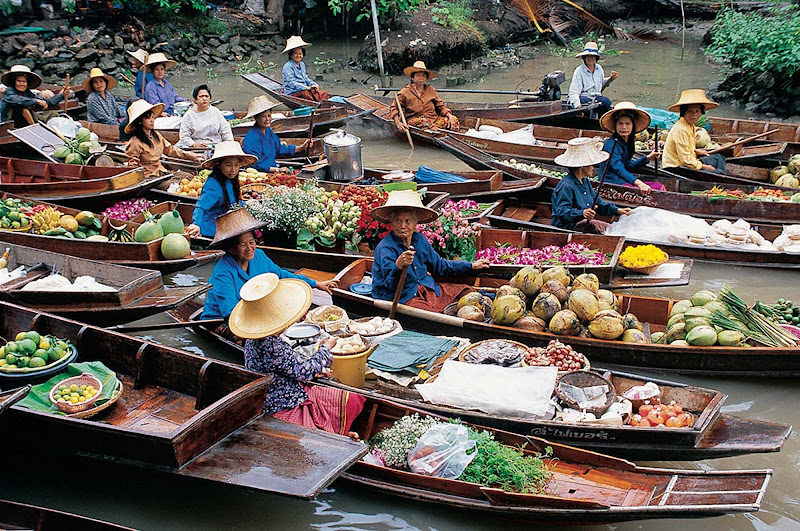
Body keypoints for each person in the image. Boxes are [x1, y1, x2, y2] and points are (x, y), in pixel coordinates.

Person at [233, 272, 363, 439]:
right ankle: (340, 436)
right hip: (282, 403)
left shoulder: (255, 339)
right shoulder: (270, 344)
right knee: (351, 398)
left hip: (281, 390)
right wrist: (325, 349)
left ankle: (341, 432)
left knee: (350, 397)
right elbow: (303, 371)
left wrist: (315, 366)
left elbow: (289, 366)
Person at [200, 208, 338, 329]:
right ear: (231, 249)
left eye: (252, 242)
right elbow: (230, 312)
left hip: (255, 313)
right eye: (243, 245)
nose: (249, 248)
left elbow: (281, 275)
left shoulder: (258, 256)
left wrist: (316, 284)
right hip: (225, 321)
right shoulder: (223, 273)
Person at [371, 190, 489, 312]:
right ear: (391, 223)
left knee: (468, 293)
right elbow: (390, 285)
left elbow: (440, 266)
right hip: (403, 296)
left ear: (415, 223)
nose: (403, 226)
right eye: (397, 221)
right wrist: (398, 267)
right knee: (428, 312)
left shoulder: (419, 240)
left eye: (408, 221)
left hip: (426, 288)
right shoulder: (385, 248)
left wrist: (471, 266)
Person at [551, 137, 632, 233]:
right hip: (569, 226)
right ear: (582, 166)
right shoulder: (566, 186)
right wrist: (582, 213)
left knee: (613, 229)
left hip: (584, 222)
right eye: (591, 165)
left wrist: (617, 210)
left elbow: (598, 203)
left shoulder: (585, 182)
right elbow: (562, 211)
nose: (593, 168)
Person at [185, 140, 256, 238]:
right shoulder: (213, 185)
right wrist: (196, 224)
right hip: (212, 230)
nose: (233, 169)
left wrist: (246, 204)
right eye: (228, 165)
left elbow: (232, 203)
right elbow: (200, 206)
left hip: (226, 225)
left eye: (236, 165)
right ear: (219, 165)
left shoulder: (230, 179)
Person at [597, 101, 665, 194]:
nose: (624, 127)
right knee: (656, 189)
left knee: (659, 186)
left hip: (623, 181)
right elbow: (619, 169)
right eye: (620, 123)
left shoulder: (627, 143)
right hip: (611, 184)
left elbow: (628, 166)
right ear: (615, 126)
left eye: (627, 124)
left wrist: (648, 158)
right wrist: (639, 183)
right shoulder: (611, 145)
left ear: (632, 126)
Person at [124, 99, 204, 177]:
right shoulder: (135, 142)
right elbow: (132, 167)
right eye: (148, 118)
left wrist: (193, 156)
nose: (152, 121)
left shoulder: (156, 135)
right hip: (149, 177)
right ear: (140, 121)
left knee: (188, 176)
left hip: (161, 171)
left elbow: (171, 150)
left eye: (153, 117)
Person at [662, 89, 727, 174]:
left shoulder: (689, 125)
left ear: (701, 112)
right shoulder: (681, 130)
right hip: (676, 167)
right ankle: (722, 176)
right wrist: (705, 167)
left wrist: (696, 151)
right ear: (683, 112)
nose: (694, 114)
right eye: (690, 111)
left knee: (719, 157)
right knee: (719, 172)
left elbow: (686, 148)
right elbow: (685, 160)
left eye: (697, 111)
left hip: (686, 161)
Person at [241, 95, 310, 173]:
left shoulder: (268, 131)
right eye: (263, 117)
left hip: (273, 168)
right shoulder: (251, 138)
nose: (268, 119)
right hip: (260, 173)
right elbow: (254, 163)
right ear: (256, 118)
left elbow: (279, 148)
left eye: (269, 116)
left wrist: (301, 148)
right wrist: (277, 169)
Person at [390, 61, 459, 132]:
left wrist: (450, 116)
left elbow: (441, 106)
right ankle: (436, 132)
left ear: (426, 78)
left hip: (433, 120)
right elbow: (394, 108)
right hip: (416, 121)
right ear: (413, 78)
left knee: (454, 120)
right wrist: (398, 123)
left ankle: (437, 131)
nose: (421, 78)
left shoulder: (431, 90)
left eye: (423, 76)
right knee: (424, 122)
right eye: (418, 75)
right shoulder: (404, 92)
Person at [0, 65, 64, 127]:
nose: (21, 84)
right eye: (18, 81)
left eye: (24, 81)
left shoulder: (27, 93)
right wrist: (36, 101)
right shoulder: (9, 92)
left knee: (52, 113)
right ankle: (34, 127)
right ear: (14, 82)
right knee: (21, 106)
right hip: (6, 122)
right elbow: (18, 100)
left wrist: (61, 95)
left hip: (21, 122)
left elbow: (46, 102)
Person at [567, 41, 617, 116]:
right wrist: (578, 107)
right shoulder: (579, 71)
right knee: (589, 110)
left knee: (606, 102)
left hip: (595, 97)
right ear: (584, 58)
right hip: (584, 98)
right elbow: (574, 91)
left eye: (592, 56)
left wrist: (611, 78)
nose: (590, 59)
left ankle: (603, 122)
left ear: (596, 58)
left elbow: (602, 83)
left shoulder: (599, 68)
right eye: (588, 56)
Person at [176, 84, 233, 149]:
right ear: (195, 100)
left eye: (206, 96)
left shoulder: (215, 111)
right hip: (197, 148)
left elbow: (225, 129)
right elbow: (184, 137)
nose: (204, 99)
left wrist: (229, 142)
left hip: (216, 145)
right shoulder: (189, 115)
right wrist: (194, 144)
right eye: (201, 96)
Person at [281, 36, 329, 101]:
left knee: (324, 93)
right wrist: (306, 88)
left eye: (300, 54)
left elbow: (305, 78)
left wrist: (314, 84)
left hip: (305, 89)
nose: (298, 56)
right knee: (306, 94)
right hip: (293, 92)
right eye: (296, 54)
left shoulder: (302, 64)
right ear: (291, 55)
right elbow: (291, 83)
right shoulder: (287, 66)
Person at [143, 52, 187, 116]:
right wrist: (163, 115)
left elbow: (175, 97)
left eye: (162, 69)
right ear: (153, 71)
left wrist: (187, 100)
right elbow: (155, 106)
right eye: (157, 69)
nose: (160, 72)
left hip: (173, 111)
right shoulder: (151, 86)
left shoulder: (166, 83)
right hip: (161, 115)